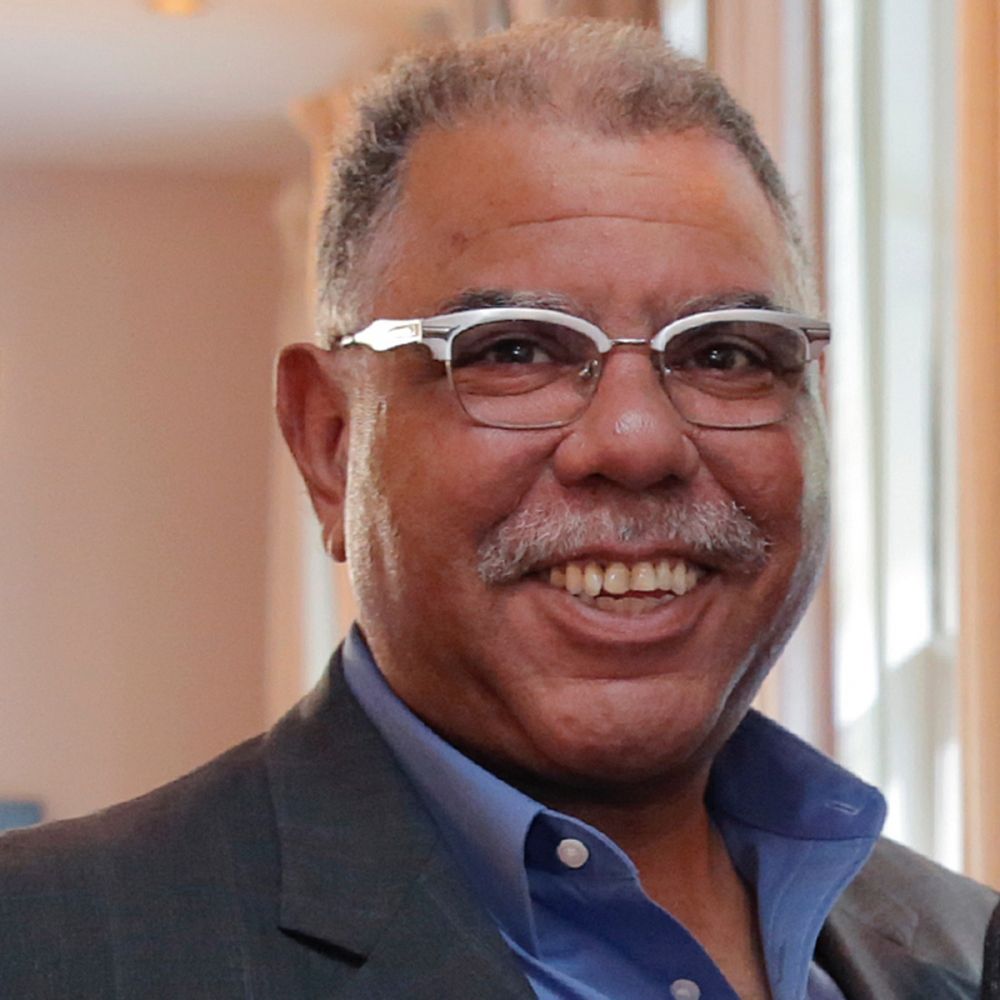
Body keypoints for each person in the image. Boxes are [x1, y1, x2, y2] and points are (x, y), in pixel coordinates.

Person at [0, 19, 995, 1000]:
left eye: (723, 353)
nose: (635, 442)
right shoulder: (48, 947)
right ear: (331, 443)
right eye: (513, 350)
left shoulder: (964, 944)